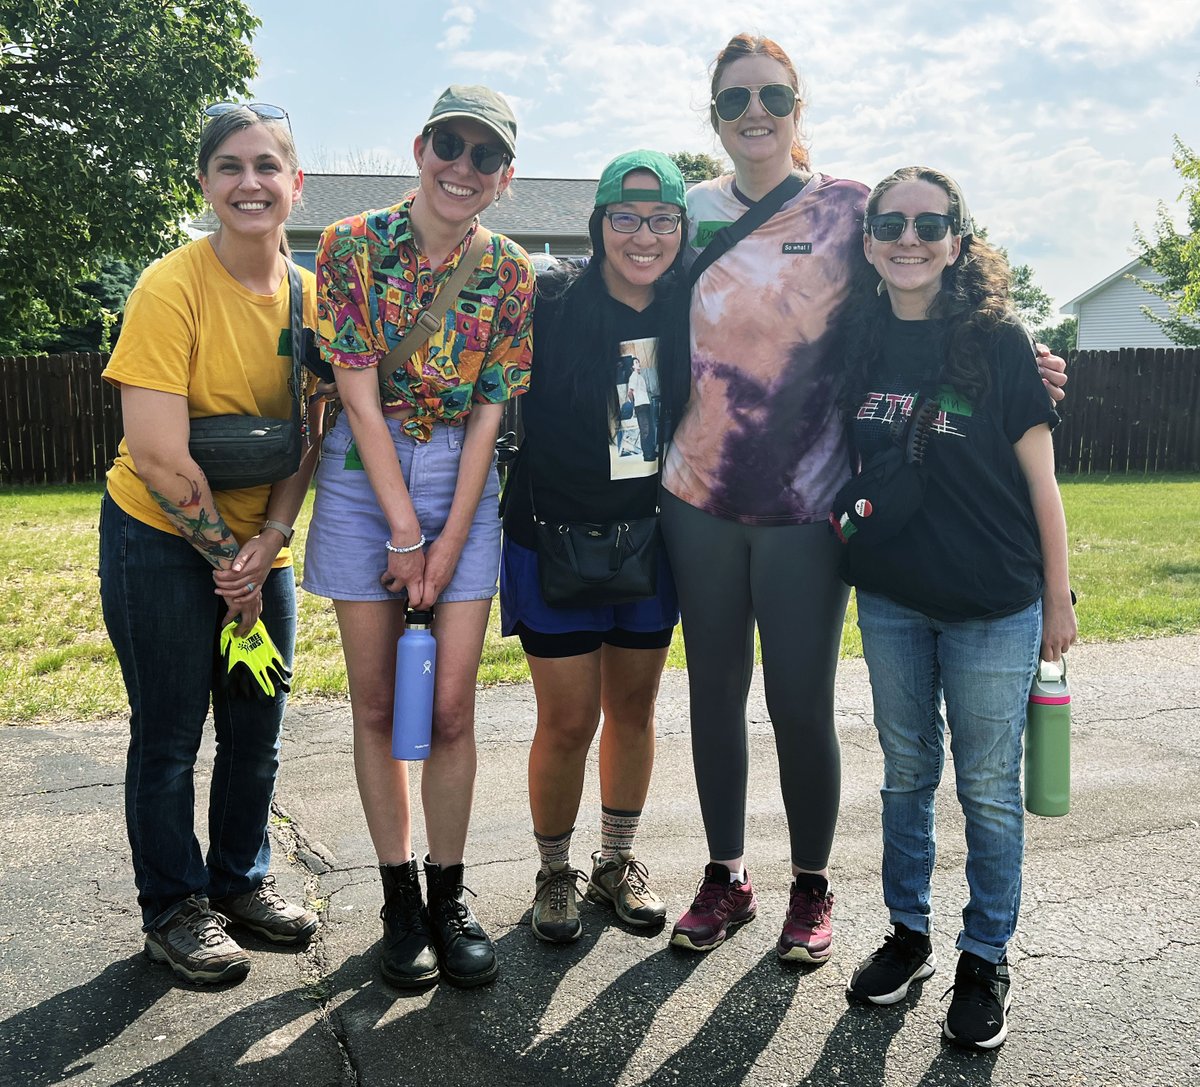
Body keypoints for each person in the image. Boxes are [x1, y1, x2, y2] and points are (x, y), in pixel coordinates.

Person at [660, 33, 1069, 964]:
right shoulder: (689, 211)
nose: (753, 113)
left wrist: (1028, 355)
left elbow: (948, 266)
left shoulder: (851, 207)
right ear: (714, 116)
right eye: (733, 100)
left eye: (771, 95)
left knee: (800, 701)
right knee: (714, 694)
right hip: (697, 491)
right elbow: (630, 301)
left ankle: (811, 886)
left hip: (812, 501)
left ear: (800, 108)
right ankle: (726, 874)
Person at [303, 85, 534, 989]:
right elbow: (356, 392)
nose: (463, 167)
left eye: (485, 156)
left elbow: (490, 411)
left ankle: (449, 890)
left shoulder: (511, 269)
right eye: (451, 144)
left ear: (506, 177)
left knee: (448, 709)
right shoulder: (349, 244)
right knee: (373, 704)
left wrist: (452, 531)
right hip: (367, 474)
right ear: (420, 145)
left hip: (463, 475)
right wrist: (406, 532)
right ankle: (398, 897)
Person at [841, 167, 1077, 1050]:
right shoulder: (856, 341)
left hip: (993, 602)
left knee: (986, 787)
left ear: (956, 241)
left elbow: (1042, 483)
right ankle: (909, 933)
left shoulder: (999, 341)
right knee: (906, 772)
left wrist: (1058, 596)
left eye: (928, 223)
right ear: (868, 240)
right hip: (894, 599)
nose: (909, 237)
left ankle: (985, 956)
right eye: (891, 222)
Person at [99, 102, 321, 985]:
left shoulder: (309, 296)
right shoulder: (170, 286)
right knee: (170, 734)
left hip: (258, 544)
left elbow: (309, 436)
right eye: (229, 166)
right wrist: (226, 556)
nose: (249, 182)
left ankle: (240, 882)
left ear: (294, 184)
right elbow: (156, 450)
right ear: (205, 183)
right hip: (158, 534)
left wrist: (266, 542)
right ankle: (174, 907)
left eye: (266, 166)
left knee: (256, 727)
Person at [499, 152, 690, 943]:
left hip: (651, 543)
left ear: (680, 227)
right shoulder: (549, 299)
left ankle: (616, 862)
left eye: (661, 220)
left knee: (635, 707)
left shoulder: (695, 307)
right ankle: (554, 872)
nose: (643, 236)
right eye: (625, 218)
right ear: (599, 223)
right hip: (552, 539)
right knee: (569, 718)